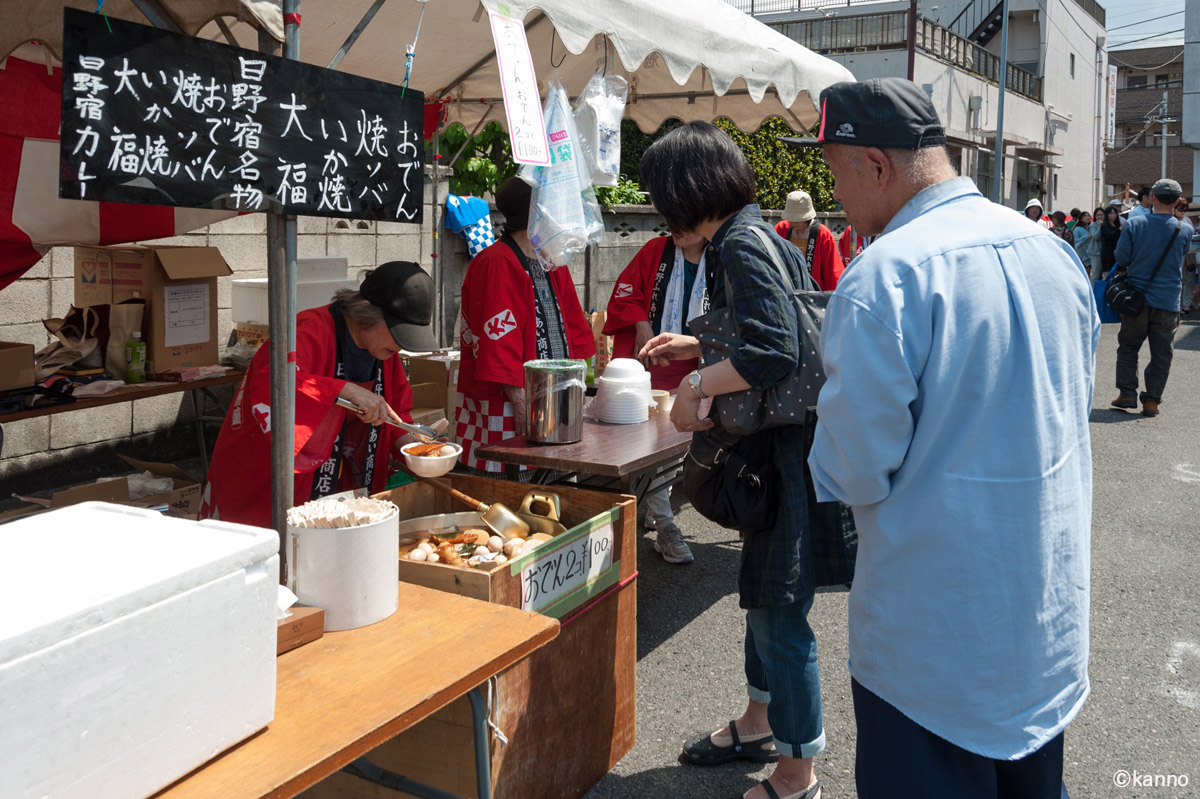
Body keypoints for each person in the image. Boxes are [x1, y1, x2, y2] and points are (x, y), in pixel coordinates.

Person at [801, 77, 1098, 798]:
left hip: (931, 649)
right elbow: (1071, 402)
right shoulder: (1052, 251)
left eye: (837, 172)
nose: (838, 196)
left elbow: (853, 467)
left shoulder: (884, 278)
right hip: (1043, 628)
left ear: (876, 164)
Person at [638, 121, 825, 799]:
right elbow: (772, 327)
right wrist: (696, 345)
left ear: (689, 189)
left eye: (662, 197)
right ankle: (758, 719)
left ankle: (797, 768)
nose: (662, 215)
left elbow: (777, 350)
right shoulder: (749, 235)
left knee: (779, 605)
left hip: (779, 449)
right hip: (779, 445)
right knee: (762, 592)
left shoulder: (740, 243)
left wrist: (695, 385)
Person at [199, 261, 435, 528]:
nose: (403, 344)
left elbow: (394, 415)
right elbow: (273, 383)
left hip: (335, 486)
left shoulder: (383, 351)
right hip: (268, 479)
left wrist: (419, 450)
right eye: (399, 333)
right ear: (366, 310)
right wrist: (343, 390)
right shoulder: (309, 329)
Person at [455, 176, 595, 473]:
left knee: (555, 475)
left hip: (556, 392)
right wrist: (520, 402)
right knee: (507, 474)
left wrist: (580, 381)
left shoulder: (552, 258)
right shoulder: (496, 261)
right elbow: (497, 336)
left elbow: (572, 319)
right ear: (537, 213)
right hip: (508, 397)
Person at [603, 231, 709, 564]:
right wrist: (640, 323)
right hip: (649, 367)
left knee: (679, 451)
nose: (677, 227)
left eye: (685, 219)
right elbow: (624, 294)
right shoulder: (655, 250)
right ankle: (665, 525)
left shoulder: (721, 255)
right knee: (654, 448)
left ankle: (654, 503)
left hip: (702, 371)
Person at [1110, 178, 1191, 417]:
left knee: (1128, 346)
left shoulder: (1135, 224)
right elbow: (1182, 256)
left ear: (1152, 197)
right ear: (1177, 200)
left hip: (1136, 298)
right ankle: (1152, 401)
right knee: (1162, 352)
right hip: (1168, 301)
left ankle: (1127, 393)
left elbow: (1122, 258)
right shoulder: (1184, 228)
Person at [774, 189, 845, 289]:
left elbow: (833, 270)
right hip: (787, 289)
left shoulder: (822, 234)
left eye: (799, 219)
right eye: (792, 218)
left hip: (814, 294)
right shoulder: (781, 229)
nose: (794, 222)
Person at [1099, 203, 1123, 276]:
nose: (1113, 215)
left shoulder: (1118, 225)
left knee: (1118, 272)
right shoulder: (1104, 225)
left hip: (1117, 252)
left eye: (1115, 213)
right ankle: (1104, 287)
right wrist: (1119, 229)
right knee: (1107, 272)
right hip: (1107, 253)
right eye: (1111, 213)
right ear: (1107, 215)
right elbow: (1109, 235)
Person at [1087, 205, 1105, 280]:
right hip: (1095, 252)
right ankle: (1093, 290)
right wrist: (1100, 226)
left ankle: (1099, 290)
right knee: (1095, 274)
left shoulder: (1106, 224)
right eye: (1097, 215)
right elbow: (1096, 237)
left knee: (1101, 273)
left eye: (1101, 214)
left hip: (1103, 251)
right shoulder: (1093, 225)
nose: (1099, 217)